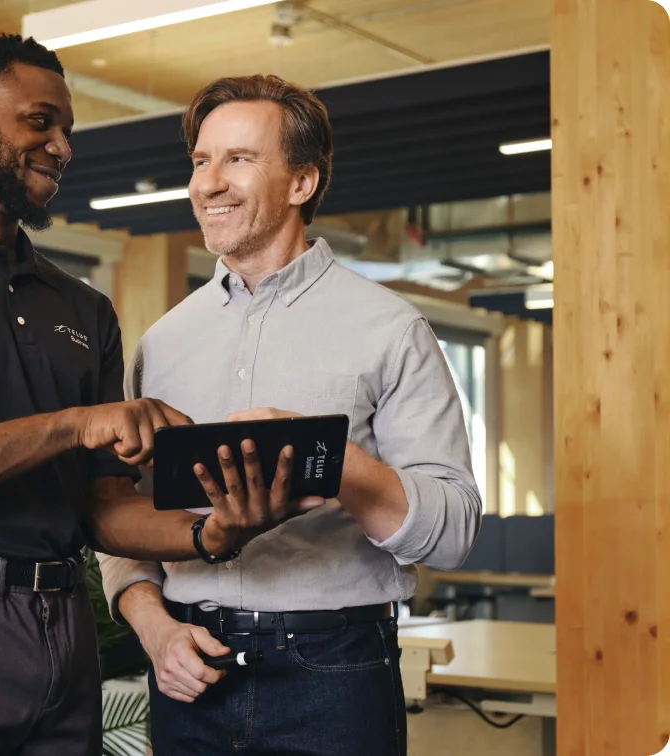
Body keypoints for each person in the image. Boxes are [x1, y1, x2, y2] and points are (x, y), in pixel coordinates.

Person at [0, 37, 314, 756]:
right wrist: (73, 425)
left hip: (61, 622)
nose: (62, 147)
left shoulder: (82, 308)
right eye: (40, 122)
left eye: (67, 130)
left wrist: (212, 534)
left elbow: (102, 507)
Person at [98, 74, 483, 756]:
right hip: (189, 669)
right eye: (200, 161)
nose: (209, 183)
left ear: (302, 182)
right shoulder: (161, 344)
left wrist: (327, 459)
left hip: (335, 674)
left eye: (239, 159)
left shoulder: (392, 330)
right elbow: (121, 519)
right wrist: (155, 631)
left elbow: (452, 530)